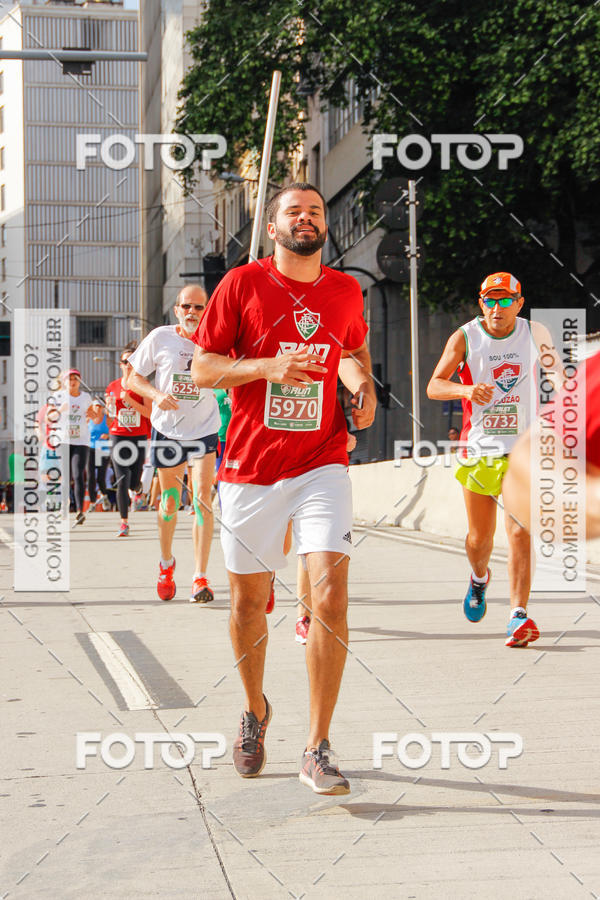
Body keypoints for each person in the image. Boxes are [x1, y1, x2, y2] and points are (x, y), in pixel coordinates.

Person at [191, 182, 376, 795]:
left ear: (326, 226)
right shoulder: (241, 285)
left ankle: (317, 746)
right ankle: (255, 710)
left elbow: (349, 348)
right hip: (250, 467)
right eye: (293, 211)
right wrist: (268, 366)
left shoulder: (345, 289)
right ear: (272, 228)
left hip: (321, 460)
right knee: (248, 608)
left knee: (330, 598)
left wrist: (362, 385)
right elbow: (204, 368)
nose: (306, 218)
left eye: (316, 211)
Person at [427, 272, 560, 648]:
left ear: (519, 303)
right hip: (479, 450)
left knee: (519, 531)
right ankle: (479, 578)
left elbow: (559, 377)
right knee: (478, 539)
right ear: (481, 303)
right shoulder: (465, 337)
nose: (497, 308)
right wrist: (466, 388)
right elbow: (434, 385)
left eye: (505, 300)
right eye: (490, 300)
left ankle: (518, 615)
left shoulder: (535, 334)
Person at [128, 285, 220, 602]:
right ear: (176, 310)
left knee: (202, 501)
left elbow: (234, 373)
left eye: (199, 307)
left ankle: (200, 577)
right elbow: (133, 378)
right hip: (168, 431)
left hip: (204, 430)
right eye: (187, 307)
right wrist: (156, 396)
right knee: (169, 503)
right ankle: (166, 563)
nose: (193, 312)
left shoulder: (218, 339)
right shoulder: (160, 338)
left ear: (207, 310)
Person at [504, 347, 600, 540]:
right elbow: (531, 454)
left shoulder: (537, 333)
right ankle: (479, 572)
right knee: (515, 530)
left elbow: (554, 369)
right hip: (488, 445)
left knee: (518, 531)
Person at [295, 432, 357, 644]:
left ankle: (304, 617)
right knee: (282, 544)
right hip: (279, 466)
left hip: (322, 473)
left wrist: (342, 433)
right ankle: (267, 576)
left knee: (310, 547)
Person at [105, 345, 152, 537]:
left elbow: (149, 413)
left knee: (134, 480)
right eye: (125, 362)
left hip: (139, 436)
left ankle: (137, 486)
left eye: (132, 361)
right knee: (122, 480)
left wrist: (130, 401)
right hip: (118, 435)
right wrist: (108, 408)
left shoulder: (142, 385)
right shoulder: (112, 387)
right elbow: (109, 420)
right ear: (120, 365)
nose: (128, 365)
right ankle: (124, 522)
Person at [56, 369, 103, 525]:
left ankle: (79, 511)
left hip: (81, 441)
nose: (73, 381)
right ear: (64, 382)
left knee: (78, 476)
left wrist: (96, 411)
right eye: (69, 379)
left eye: (76, 378)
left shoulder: (85, 397)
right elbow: (49, 417)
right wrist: (60, 410)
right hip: (64, 440)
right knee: (66, 476)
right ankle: (64, 505)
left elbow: (93, 417)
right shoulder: (58, 397)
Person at [87, 410, 111, 512]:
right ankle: (92, 502)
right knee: (90, 476)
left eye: (99, 406)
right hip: (90, 449)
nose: (97, 408)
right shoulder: (88, 418)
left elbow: (114, 431)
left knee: (101, 477)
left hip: (103, 449)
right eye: (95, 406)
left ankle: (104, 496)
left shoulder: (107, 418)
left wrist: (108, 435)